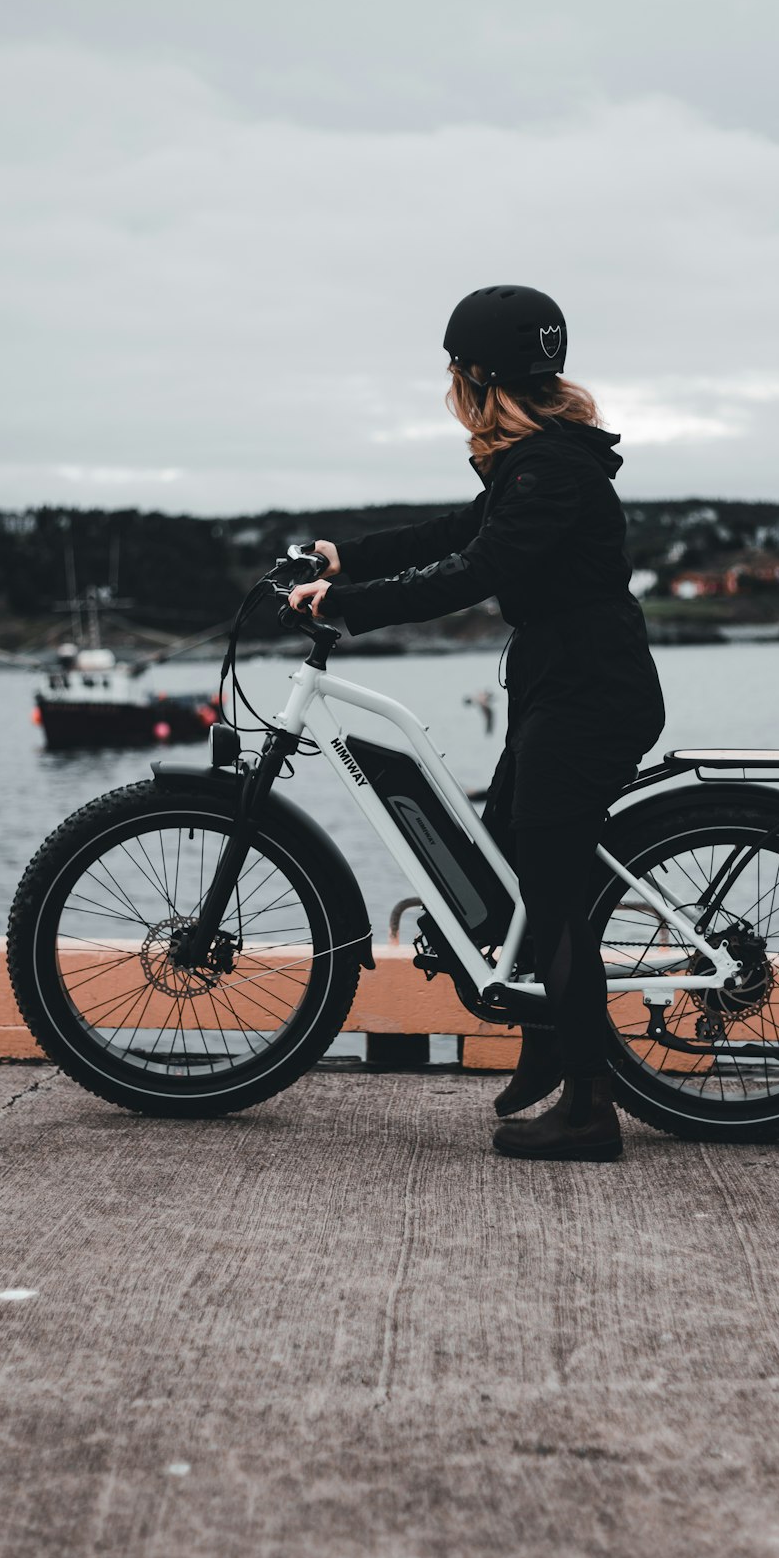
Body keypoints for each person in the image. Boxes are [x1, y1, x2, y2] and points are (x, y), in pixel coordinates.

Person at [288, 285, 665, 1162]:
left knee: (552, 884)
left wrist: (349, 608)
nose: (451, 385)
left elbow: (475, 567)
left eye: (455, 370)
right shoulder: (538, 460)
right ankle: (547, 1044)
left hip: (590, 689)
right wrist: (351, 555)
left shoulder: (549, 468)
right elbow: (460, 529)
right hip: (563, 678)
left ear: (476, 376)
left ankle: (591, 1111)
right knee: (504, 863)